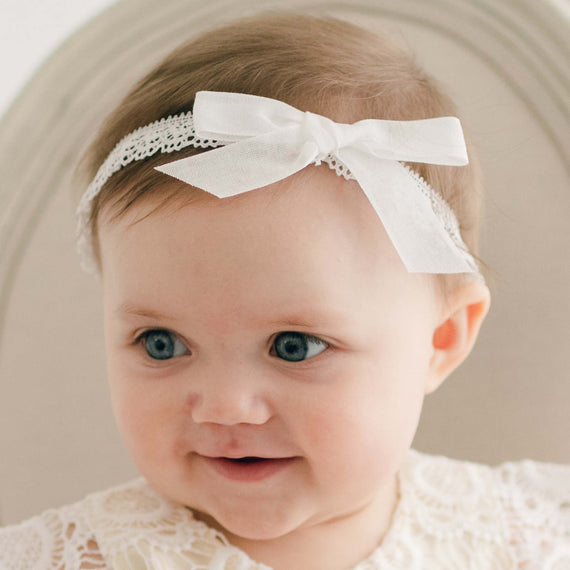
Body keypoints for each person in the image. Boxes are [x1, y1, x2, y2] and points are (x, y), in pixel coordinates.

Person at [0, 12, 568, 570]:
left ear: (441, 339)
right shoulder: (75, 557)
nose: (225, 405)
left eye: (294, 345)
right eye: (161, 343)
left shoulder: (525, 535)